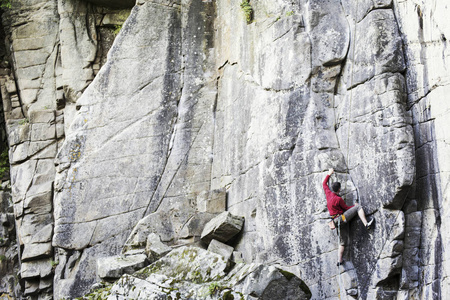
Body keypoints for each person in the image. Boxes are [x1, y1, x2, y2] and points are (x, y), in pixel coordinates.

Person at [323, 168, 374, 266]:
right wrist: (354, 206)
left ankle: (339, 260)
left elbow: (324, 184)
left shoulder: (328, 194)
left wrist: (329, 174)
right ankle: (366, 224)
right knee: (358, 207)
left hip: (335, 221)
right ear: (339, 190)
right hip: (342, 219)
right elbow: (346, 208)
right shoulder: (338, 199)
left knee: (342, 242)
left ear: (332, 189)